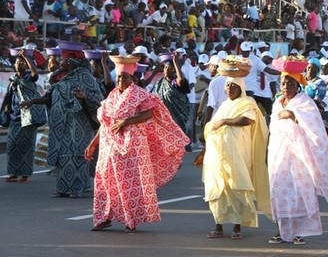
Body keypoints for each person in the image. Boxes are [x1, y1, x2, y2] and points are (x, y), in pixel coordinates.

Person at [84, 58, 189, 233]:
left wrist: (127, 121)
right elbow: (105, 123)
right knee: (105, 180)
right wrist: (93, 144)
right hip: (109, 146)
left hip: (132, 145)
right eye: (118, 77)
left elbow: (148, 113)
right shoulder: (112, 96)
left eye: (124, 77)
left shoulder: (139, 94)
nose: (120, 81)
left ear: (132, 78)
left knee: (128, 184)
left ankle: (130, 220)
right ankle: (105, 217)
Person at [268, 59, 328, 245]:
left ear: (298, 85)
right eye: (283, 82)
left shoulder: (305, 103)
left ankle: (299, 232)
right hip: (279, 155)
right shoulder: (277, 103)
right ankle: (280, 230)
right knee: (280, 193)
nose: (286, 86)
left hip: (300, 156)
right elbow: (273, 129)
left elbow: (315, 128)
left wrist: (294, 115)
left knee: (299, 193)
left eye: (290, 83)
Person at [21, 46, 104, 198]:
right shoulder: (63, 77)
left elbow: (98, 99)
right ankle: (63, 188)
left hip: (80, 123)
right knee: (63, 155)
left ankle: (77, 188)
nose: (61, 62)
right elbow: (50, 98)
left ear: (72, 61)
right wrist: (33, 101)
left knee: (78, 155)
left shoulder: (86, 77)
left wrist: (83, 97)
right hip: (62, 124)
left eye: (64, 59)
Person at [194, 75, 271, 240]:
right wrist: (205, 149)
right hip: (218, 155)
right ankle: (218, 225)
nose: (229, 89)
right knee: (217, 189)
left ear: (240, 88)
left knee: (238, 187)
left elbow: (247, 120)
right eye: (227, 86)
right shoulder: (223, 105)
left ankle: (237, 226)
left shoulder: (247, 103)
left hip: (239, 154)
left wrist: (225, 122)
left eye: (233, 86)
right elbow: (212, 128)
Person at [2, 50, 47, 183]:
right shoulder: (13, 80)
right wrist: (7, 106)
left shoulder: (29, 78)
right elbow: (9, 96)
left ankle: (24, 174)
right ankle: (13, 173)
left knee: (26, 146)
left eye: (22, 62)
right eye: (17, 62)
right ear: (14, 66)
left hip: (29, 116)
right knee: (12, 145)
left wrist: (26, 57)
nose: (19, 64)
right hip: (15, 116)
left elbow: (35, 74)